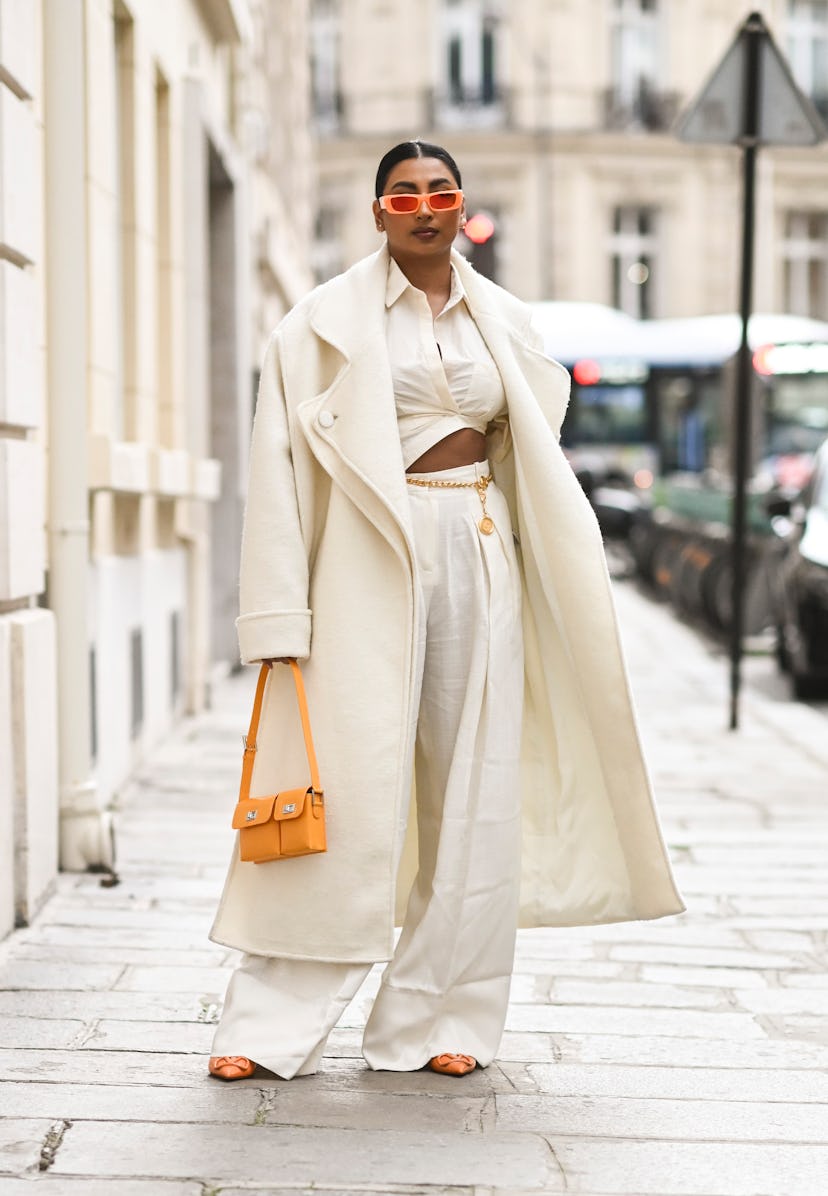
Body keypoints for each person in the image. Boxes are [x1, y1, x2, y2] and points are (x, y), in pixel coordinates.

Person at [207, 140, 684, 1082]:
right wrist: (274, 624)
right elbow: (276, 478)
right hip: (363, 560)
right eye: (404, 193)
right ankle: (265, 1029)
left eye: (442, 192)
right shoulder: (317, 327)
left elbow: (529, 451)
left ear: (462, 208)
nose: (425, 206)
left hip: (479, 538)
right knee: (340, 790)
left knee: (477, 789)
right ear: (379, 210)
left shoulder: (502, 318)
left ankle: (440, 1018)